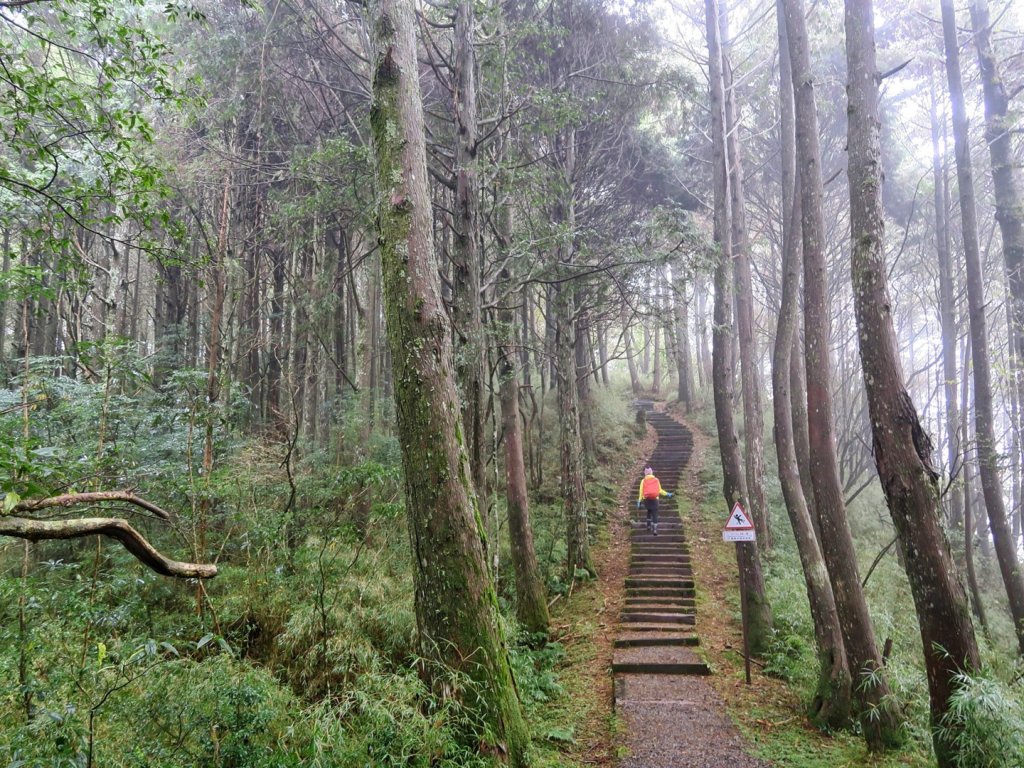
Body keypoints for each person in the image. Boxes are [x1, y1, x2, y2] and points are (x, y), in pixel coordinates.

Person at [636, 466, 672, 535]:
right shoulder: (656, 480)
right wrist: (667, 494)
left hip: (646, 500)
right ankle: (655, 529)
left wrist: (639, 501)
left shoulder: (643, 481)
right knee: (655, 514)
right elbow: (660, 490)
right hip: (655, 500)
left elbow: (641, 492)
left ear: (645, 473)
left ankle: (648, 525)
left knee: (649, 511)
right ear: (652, 472)